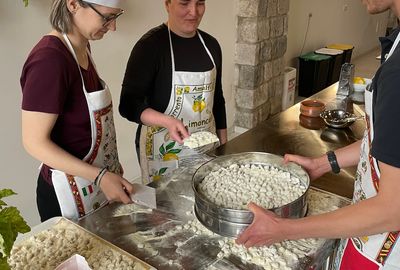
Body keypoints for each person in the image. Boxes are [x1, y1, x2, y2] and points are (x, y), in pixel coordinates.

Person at [236, 1, 400, 269]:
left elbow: (393, 209)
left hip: (385, 253)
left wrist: (284, 228)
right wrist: (322, 163)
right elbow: (383, 143)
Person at [21, 0, 134, 222]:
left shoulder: (82, 48)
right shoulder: (49, 60)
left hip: (93, 183)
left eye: (115, 17)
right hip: (67, 195)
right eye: (106, 17)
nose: (112, 27)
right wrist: (100, 176)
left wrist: (108, 168)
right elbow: (34, 142)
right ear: (73, 4)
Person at [119, 0, 227, 184]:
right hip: (162, 149)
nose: (193, 12)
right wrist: (167, 121)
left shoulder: (211, 45)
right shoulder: (150, 47)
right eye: (184, 3)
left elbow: (217, 99)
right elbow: (128, 105)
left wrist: (224, 146)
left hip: (206, 145)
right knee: (166, 207)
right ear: (167, 4)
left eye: (200, 3)